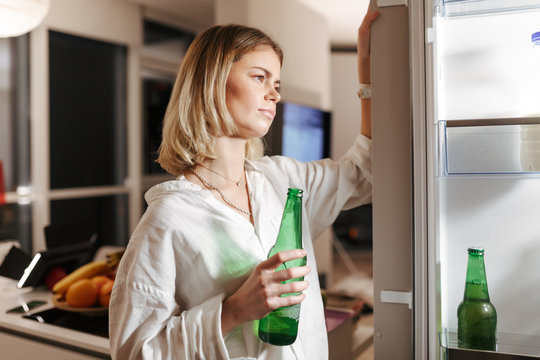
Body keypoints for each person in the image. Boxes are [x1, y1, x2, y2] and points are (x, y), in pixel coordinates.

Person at [109, 10, 380, 360]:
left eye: (276, 84)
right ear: (213, 81)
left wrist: (368, 69)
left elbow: (367, 172)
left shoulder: (282, 181)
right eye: (259, 77)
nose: (274, 95)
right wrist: (234, 310)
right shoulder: (169, 218)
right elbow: (132, 352)